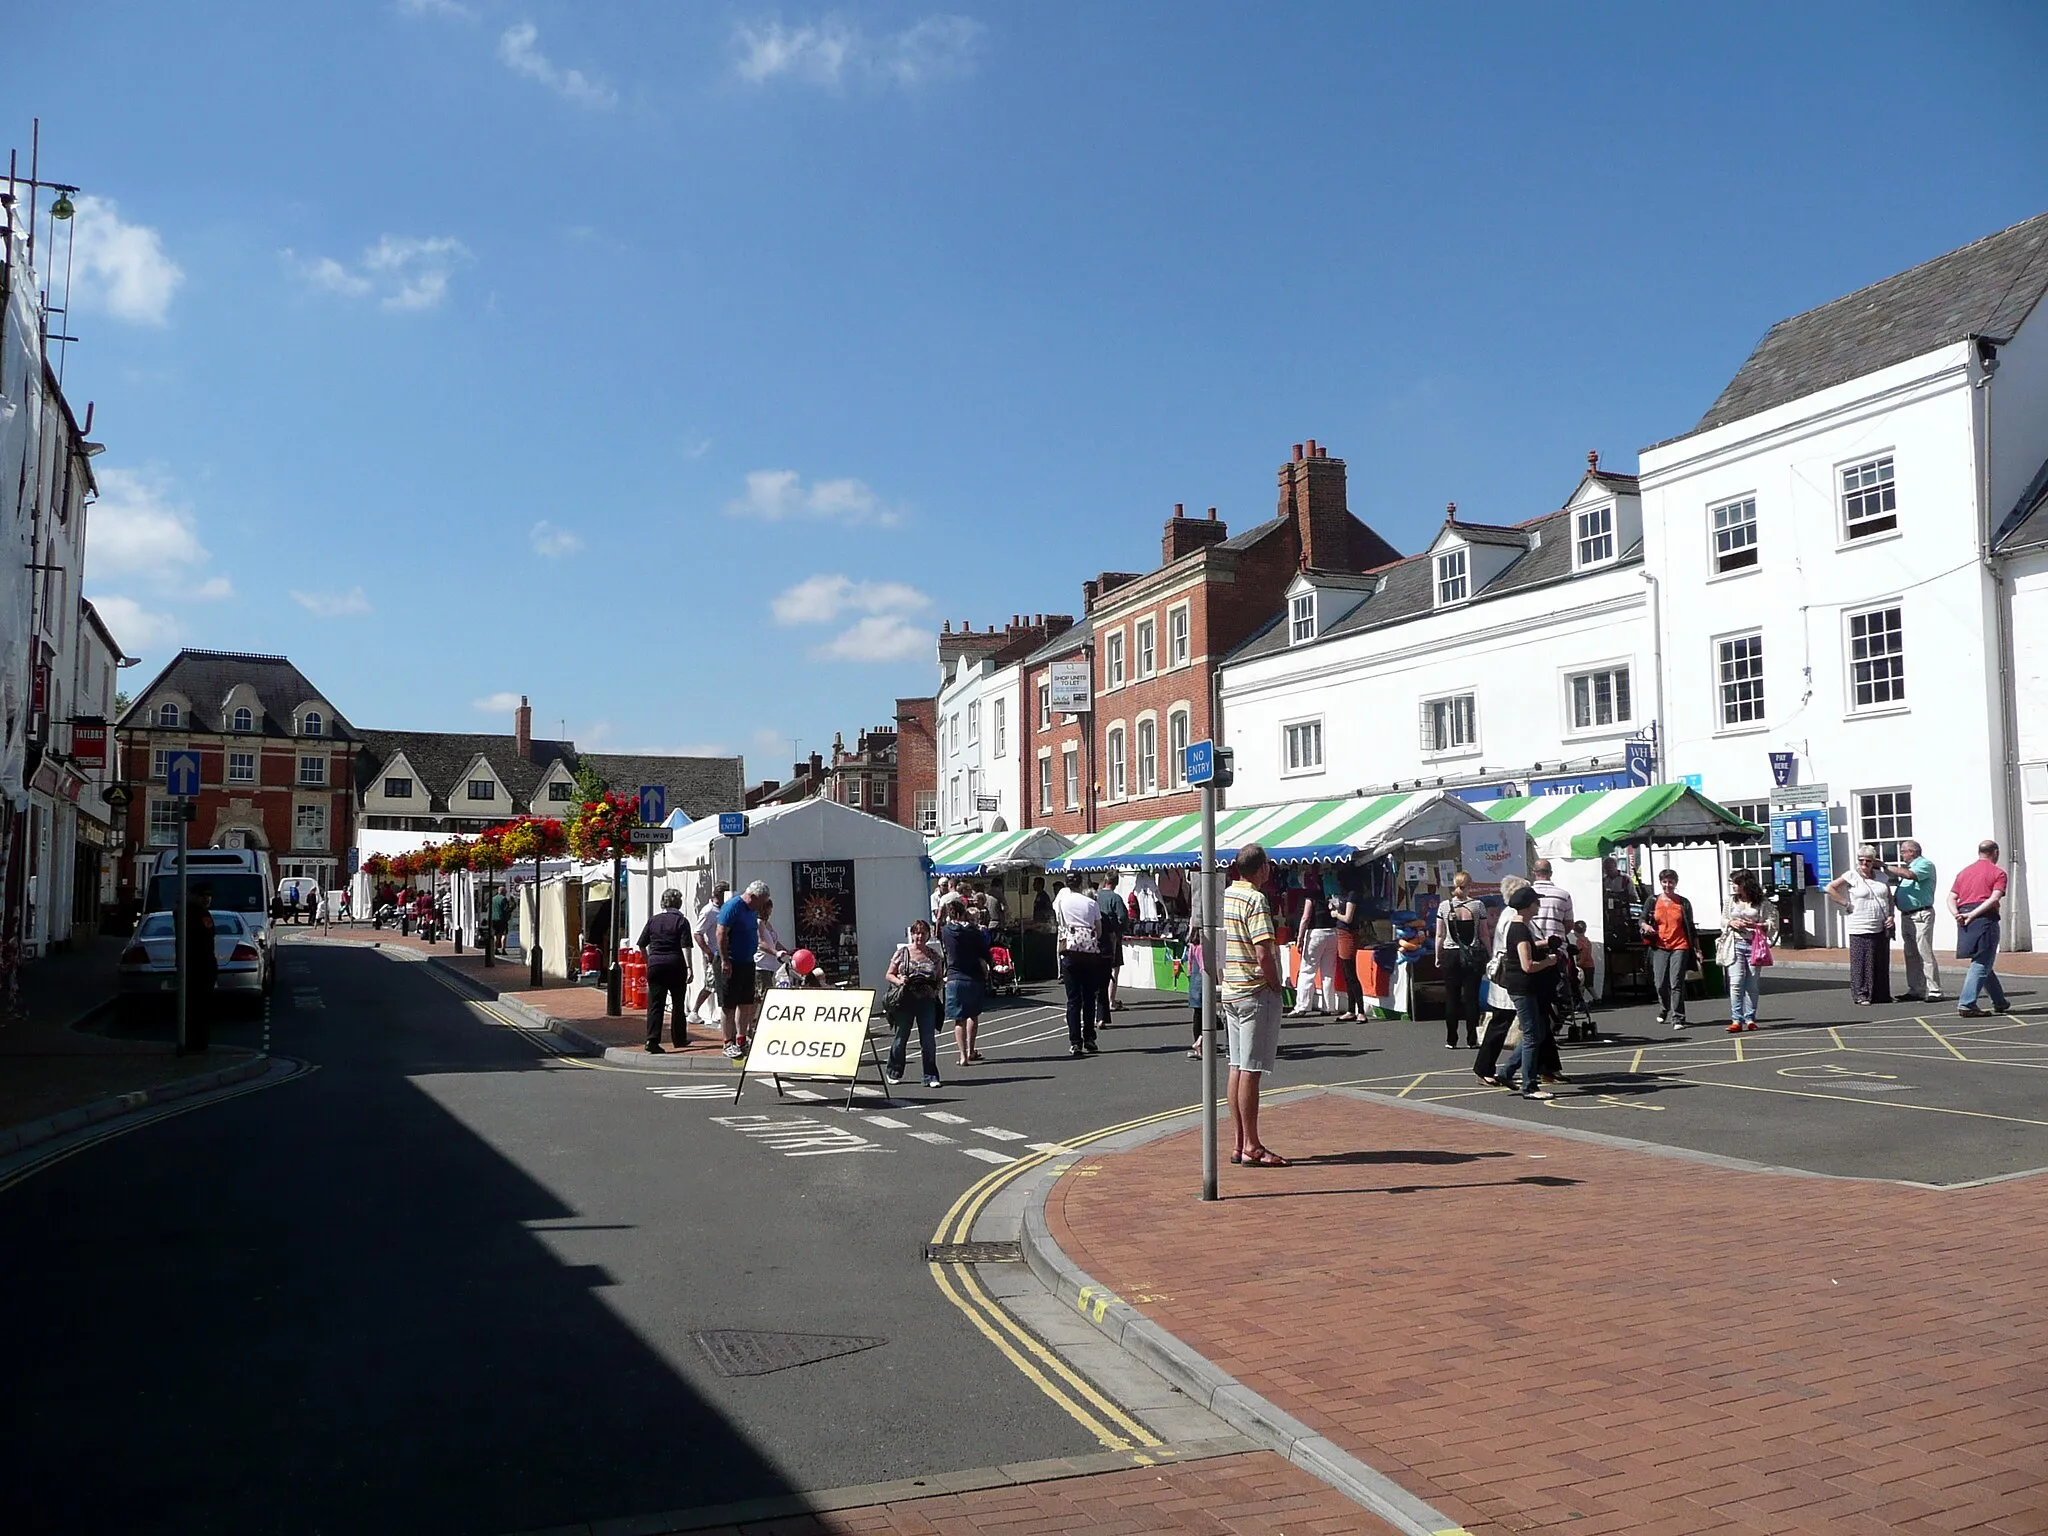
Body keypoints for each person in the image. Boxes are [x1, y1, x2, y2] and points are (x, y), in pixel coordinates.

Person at [1220, 843, 1288, 1165]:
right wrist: (1276, 986)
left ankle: (1238, 1142)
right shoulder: (1256, 899)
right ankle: (1252, 1145)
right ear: (1261, 868)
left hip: (1231, 988)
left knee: (1236, 1066)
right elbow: (1264, 952)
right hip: (1253, 990)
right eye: (1268, 866)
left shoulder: (1230, 893)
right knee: (1251, 1070)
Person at [1497, 884, 1561, 1101]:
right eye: (1535, 902)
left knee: (1538, 1033)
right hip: (1523, 987)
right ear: (1526, 906)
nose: (1538, 905)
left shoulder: (1519, 927)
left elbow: (1525, 948)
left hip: (1522, 987)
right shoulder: (1521, 929)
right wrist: (1549, 961)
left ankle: (1506, 1073)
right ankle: (1530, 1085)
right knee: (1533, 1035)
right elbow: (1528, 965)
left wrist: (1545, 944)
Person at [1828, 846, 1894, 1005]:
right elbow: (1830, 888)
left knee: (1880, 960)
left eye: (1868, 861)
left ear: (1873, 862)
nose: (1864, 864)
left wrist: (1891, 915)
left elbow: (1889, 898)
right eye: (1861, 861)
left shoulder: (1881, 877)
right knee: (1862, 961)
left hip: (1881, 923)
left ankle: (1881, 994)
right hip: (1860, 924)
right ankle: (1861, 994)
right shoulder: (1851, 875)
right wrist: (1846, 904)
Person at [1951, 839, 2010, 1018]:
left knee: (1983, 961)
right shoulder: (1998, 873)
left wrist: (1957, 914)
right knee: (1982, 963)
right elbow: (1994, 898)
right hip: (1984, 919)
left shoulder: (1964, 873)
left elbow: (1951, 897)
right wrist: (1974, 914)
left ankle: (1999, 1001)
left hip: (1965, 918)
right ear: (1996, 853)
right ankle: (1967, 1003)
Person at [883, 919, 946, 1087]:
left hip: (926, 1001)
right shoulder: (902, 953)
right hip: (905, 1000)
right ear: (911, 934)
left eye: (923, 933)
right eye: (916, 933)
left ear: (928, 935)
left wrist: (936, 989)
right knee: (901, 1037)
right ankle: (894, 1071)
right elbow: (889, 974)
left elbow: (940, 979)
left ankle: (930, 1076)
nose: (919, 936)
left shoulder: (934, 956)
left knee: (928, 1040)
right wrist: (899, 980)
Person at [1639, 869, 1700, 1028]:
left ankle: (1678, 1017)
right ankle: (1665, 1008)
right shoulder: (1653, 901)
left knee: (1676, 982)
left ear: (1676, 883)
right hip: (1659, 946)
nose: (1668, 885)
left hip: (1680, 945)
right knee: (1659, 983)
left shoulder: (1683, 903)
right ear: (1661, 883)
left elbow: (1691, 927)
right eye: (1665, 882)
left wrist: (1697, 949)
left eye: (1671, 882)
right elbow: (1642, 919)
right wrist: (1645, 926)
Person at [636, 888, 694, 1053]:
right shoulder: (682, 921)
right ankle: (679, 1039)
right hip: (676, 964)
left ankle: (652, 1040)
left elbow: (641, 943)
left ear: (663, 902)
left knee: (655, 1004)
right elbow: (686, 946)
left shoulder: (653, 920)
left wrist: (649, 960)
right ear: (680, 903)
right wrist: (689, 967)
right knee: (678, 1003)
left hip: (656, 965)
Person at [716, 881, 770, 1058]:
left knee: (746, 1002)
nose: (762, 905)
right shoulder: (733, 906)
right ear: (753, 896)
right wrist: (725, 961)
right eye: (761, 901)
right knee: (729, 1004)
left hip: (747, 961)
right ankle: (727, 1042)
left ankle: (741, 1038)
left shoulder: (752, 909)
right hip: (731, 961)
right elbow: (721, 933)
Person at [1053, 871, 1104, 1057]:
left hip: (1070, 952)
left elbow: (1060, 924)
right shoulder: (1091, 903)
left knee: (1073, 1000)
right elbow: (1098, 930)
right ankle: (1089, 1036)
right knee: (1089, 997)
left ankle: (1075, 1042)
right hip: (1089, 953)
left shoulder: (1062, 903)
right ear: (1081, 883)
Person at [939, 896, 993, 1068]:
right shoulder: (973, 931)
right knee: (972, 1015)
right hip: (973, 977)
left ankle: (962, 1055)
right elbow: (985, 952)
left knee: (958, 1019)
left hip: (954, 977)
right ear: (964, 913)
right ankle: (971, 1050)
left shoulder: (946, 931)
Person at [1435, 871, 1486, 1050]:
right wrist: (1489, 952)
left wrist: (1437, 955)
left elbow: (1440, 934)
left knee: (1452, 997)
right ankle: (1472, 1038)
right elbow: (1484, 934)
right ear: (1470, 885)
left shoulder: (1444, 906)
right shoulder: (1478, 906)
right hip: (1472, 954)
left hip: (1450, 954)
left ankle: (1451, 1038)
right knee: (1472, 998)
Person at [1888, 840, 1942, 1002]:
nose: (1902, 854)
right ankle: (1916, 989)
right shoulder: (1909, 868)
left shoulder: (1924, 864)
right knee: (1911, 954)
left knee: (1924, 951)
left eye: (1904, 851)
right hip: (1907, 915)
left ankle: (1934, 990)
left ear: (1913, 851)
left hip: (1921, 914)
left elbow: (1910, 875)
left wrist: (1885, 866)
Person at [1721, 869, 1767, 1032]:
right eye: (1732, 883)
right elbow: (1723, 919)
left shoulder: (1760, 902)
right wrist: (1730, 923)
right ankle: (1736, 1020)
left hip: (1754, 945)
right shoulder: (1730, 901)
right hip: (1735, 944)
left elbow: (1771, 922)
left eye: (1736, 883)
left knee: (1752, 984)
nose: (1733, 886)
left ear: (1745, 884)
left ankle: (1750, 1018)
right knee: (1736, 982)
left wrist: (1754, 925)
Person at [1290, 872, 1338, 1017]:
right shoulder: (1330, 894)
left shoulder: (1310, 895)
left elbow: (1305, 917)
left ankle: (1302, 1006)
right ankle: (1329, 1006)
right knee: (1328, 972)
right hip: (1332, 932)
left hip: (1315, 933)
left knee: (1307, 970)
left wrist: (1300, 937)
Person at [181, 879, 217, 1053]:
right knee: (197, 1008)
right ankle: (196, 1043)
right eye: (203, 895)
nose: (207, 899)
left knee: (198, 1008)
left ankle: (197, 1042)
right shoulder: (197, 914)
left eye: (209, 896)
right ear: (194, 896)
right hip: (198, 966)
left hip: (202, 965)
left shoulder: (199, 913)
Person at [689, 882, 730, 1027]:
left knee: (719, 984)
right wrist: (708, 952)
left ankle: (717, 1013)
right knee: (712, 984)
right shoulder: (709, 911)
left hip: (725, 953)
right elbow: (698, 933)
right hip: (715, 953)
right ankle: (696, 1011)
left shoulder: (725, 909)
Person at [1331, 877, 1365, 1022]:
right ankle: (1351, 1010)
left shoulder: (1353, 895)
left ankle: (1361, 1011)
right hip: (1341, 933)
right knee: (1346, 974)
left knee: (1351, 974)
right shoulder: (1346, 895)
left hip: (1348, 934)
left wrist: (1336, 914)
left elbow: (1348, 918)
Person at [1095, 875, 1127, 1014]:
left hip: (1097, 935)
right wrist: (1120, 929)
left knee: (1097, 968)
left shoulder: (1096, 896)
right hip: (1112, 935)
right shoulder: (1115, 898)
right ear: (1115, 883)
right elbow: (1123, 917)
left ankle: (1100, 1000)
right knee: (1114, 968)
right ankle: (1110, 1000)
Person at [1528, 859, 1575, 947]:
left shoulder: (1527, 894)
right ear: (1551, 873)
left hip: (1533, 946)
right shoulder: (1564, 895)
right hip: (1557, 946)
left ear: (1533, 873)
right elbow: (1569, 925)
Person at [1570, 920, 1595, 997]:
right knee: (1587, 984)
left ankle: (1596, 998)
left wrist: (1577, 964)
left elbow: (1583, 954)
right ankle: (1591, 998)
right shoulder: (1587, 941)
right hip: (1590, 965)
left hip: (1584, 965)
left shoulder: (1579, 942)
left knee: (1584, 984)